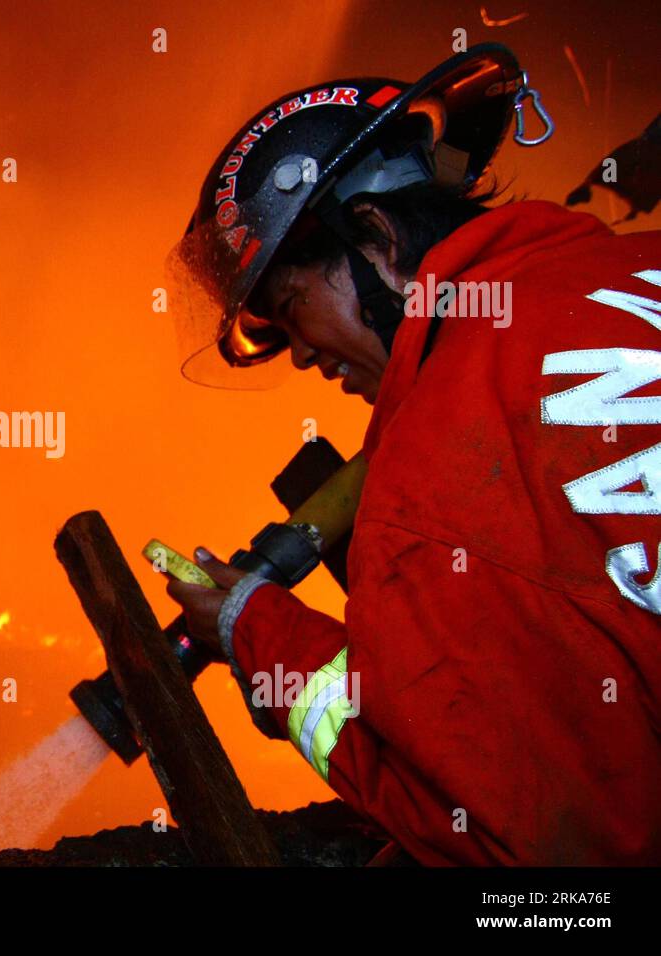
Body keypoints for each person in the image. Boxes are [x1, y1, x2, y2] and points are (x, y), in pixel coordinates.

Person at [163, 43, 661, 864]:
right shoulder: (635, 268)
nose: (303, 355)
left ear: (378, 237)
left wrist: (261, 632)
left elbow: (521, 847)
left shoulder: (432, 485)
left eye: (291, 307)